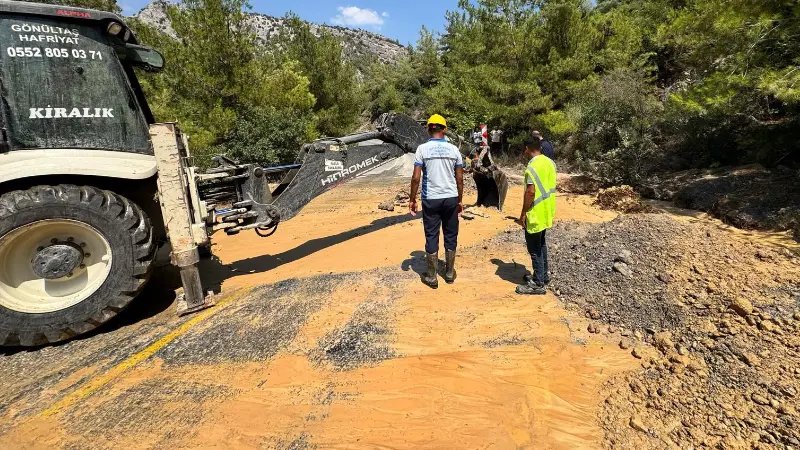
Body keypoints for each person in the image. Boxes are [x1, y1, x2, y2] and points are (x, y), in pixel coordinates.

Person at [409, 114, 464, 289]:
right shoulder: (454, 150)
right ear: (444, 129)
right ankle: (449, 273)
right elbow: (460, 179)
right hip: (450, 198)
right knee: (450, 234)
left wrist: (412, 199)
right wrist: (460, 201)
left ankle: (432, 277)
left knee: (431, 235)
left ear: (428, 128)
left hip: (431, 199)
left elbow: (416, 178)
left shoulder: (422, 149)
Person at [516, 137, 556, 295]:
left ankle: (538, 283)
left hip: (535, 212)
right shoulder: (550, 163)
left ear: (527, 148)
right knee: (541, 244)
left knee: (534, 248)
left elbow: (531, 192)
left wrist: (523, 213)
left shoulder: (532, 167)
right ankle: (543, 276)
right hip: (547, 211)